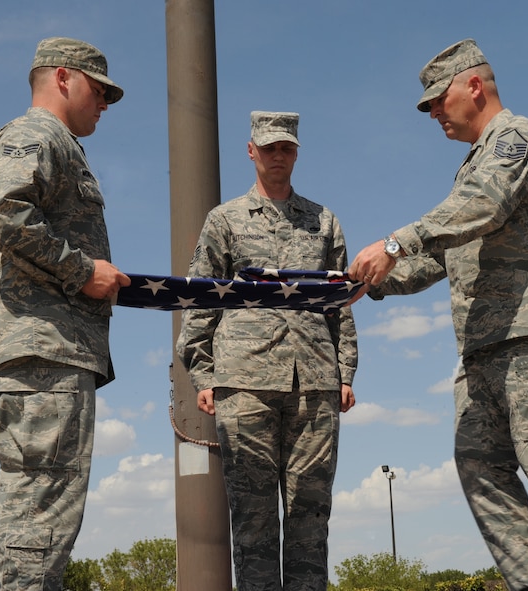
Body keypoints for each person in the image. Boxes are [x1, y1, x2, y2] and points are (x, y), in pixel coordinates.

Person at [349, 39, 528, 591]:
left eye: (437, 101)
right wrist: (361, 285)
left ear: (473, 85)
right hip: (480, 348)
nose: (435, 114)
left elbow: (482, 207)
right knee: (479, 469)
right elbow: (441, 258)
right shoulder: (469, 169)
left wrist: (394, 242)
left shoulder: (519, 137)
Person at [0, 37, 130, 591]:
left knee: (44, 507)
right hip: (43, 347)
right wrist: (83, 272)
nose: (104, 103)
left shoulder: (57, 144)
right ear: (63, 78)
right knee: (40, 509)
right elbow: (0, 212)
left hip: (46, 344)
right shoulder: (35, 133)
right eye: (99, 90)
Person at [176, 111, 358, 591]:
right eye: (270, 147)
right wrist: (204, 374)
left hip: (315, 383)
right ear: (251, 151)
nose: (279, 155)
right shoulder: (225, 220)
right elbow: (200, 298)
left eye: (287, 148)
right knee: (253, 522)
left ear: (296, 153)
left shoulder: (323, 221)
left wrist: (345, 372)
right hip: (244, 383)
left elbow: (341, 301)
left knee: (310, 518)